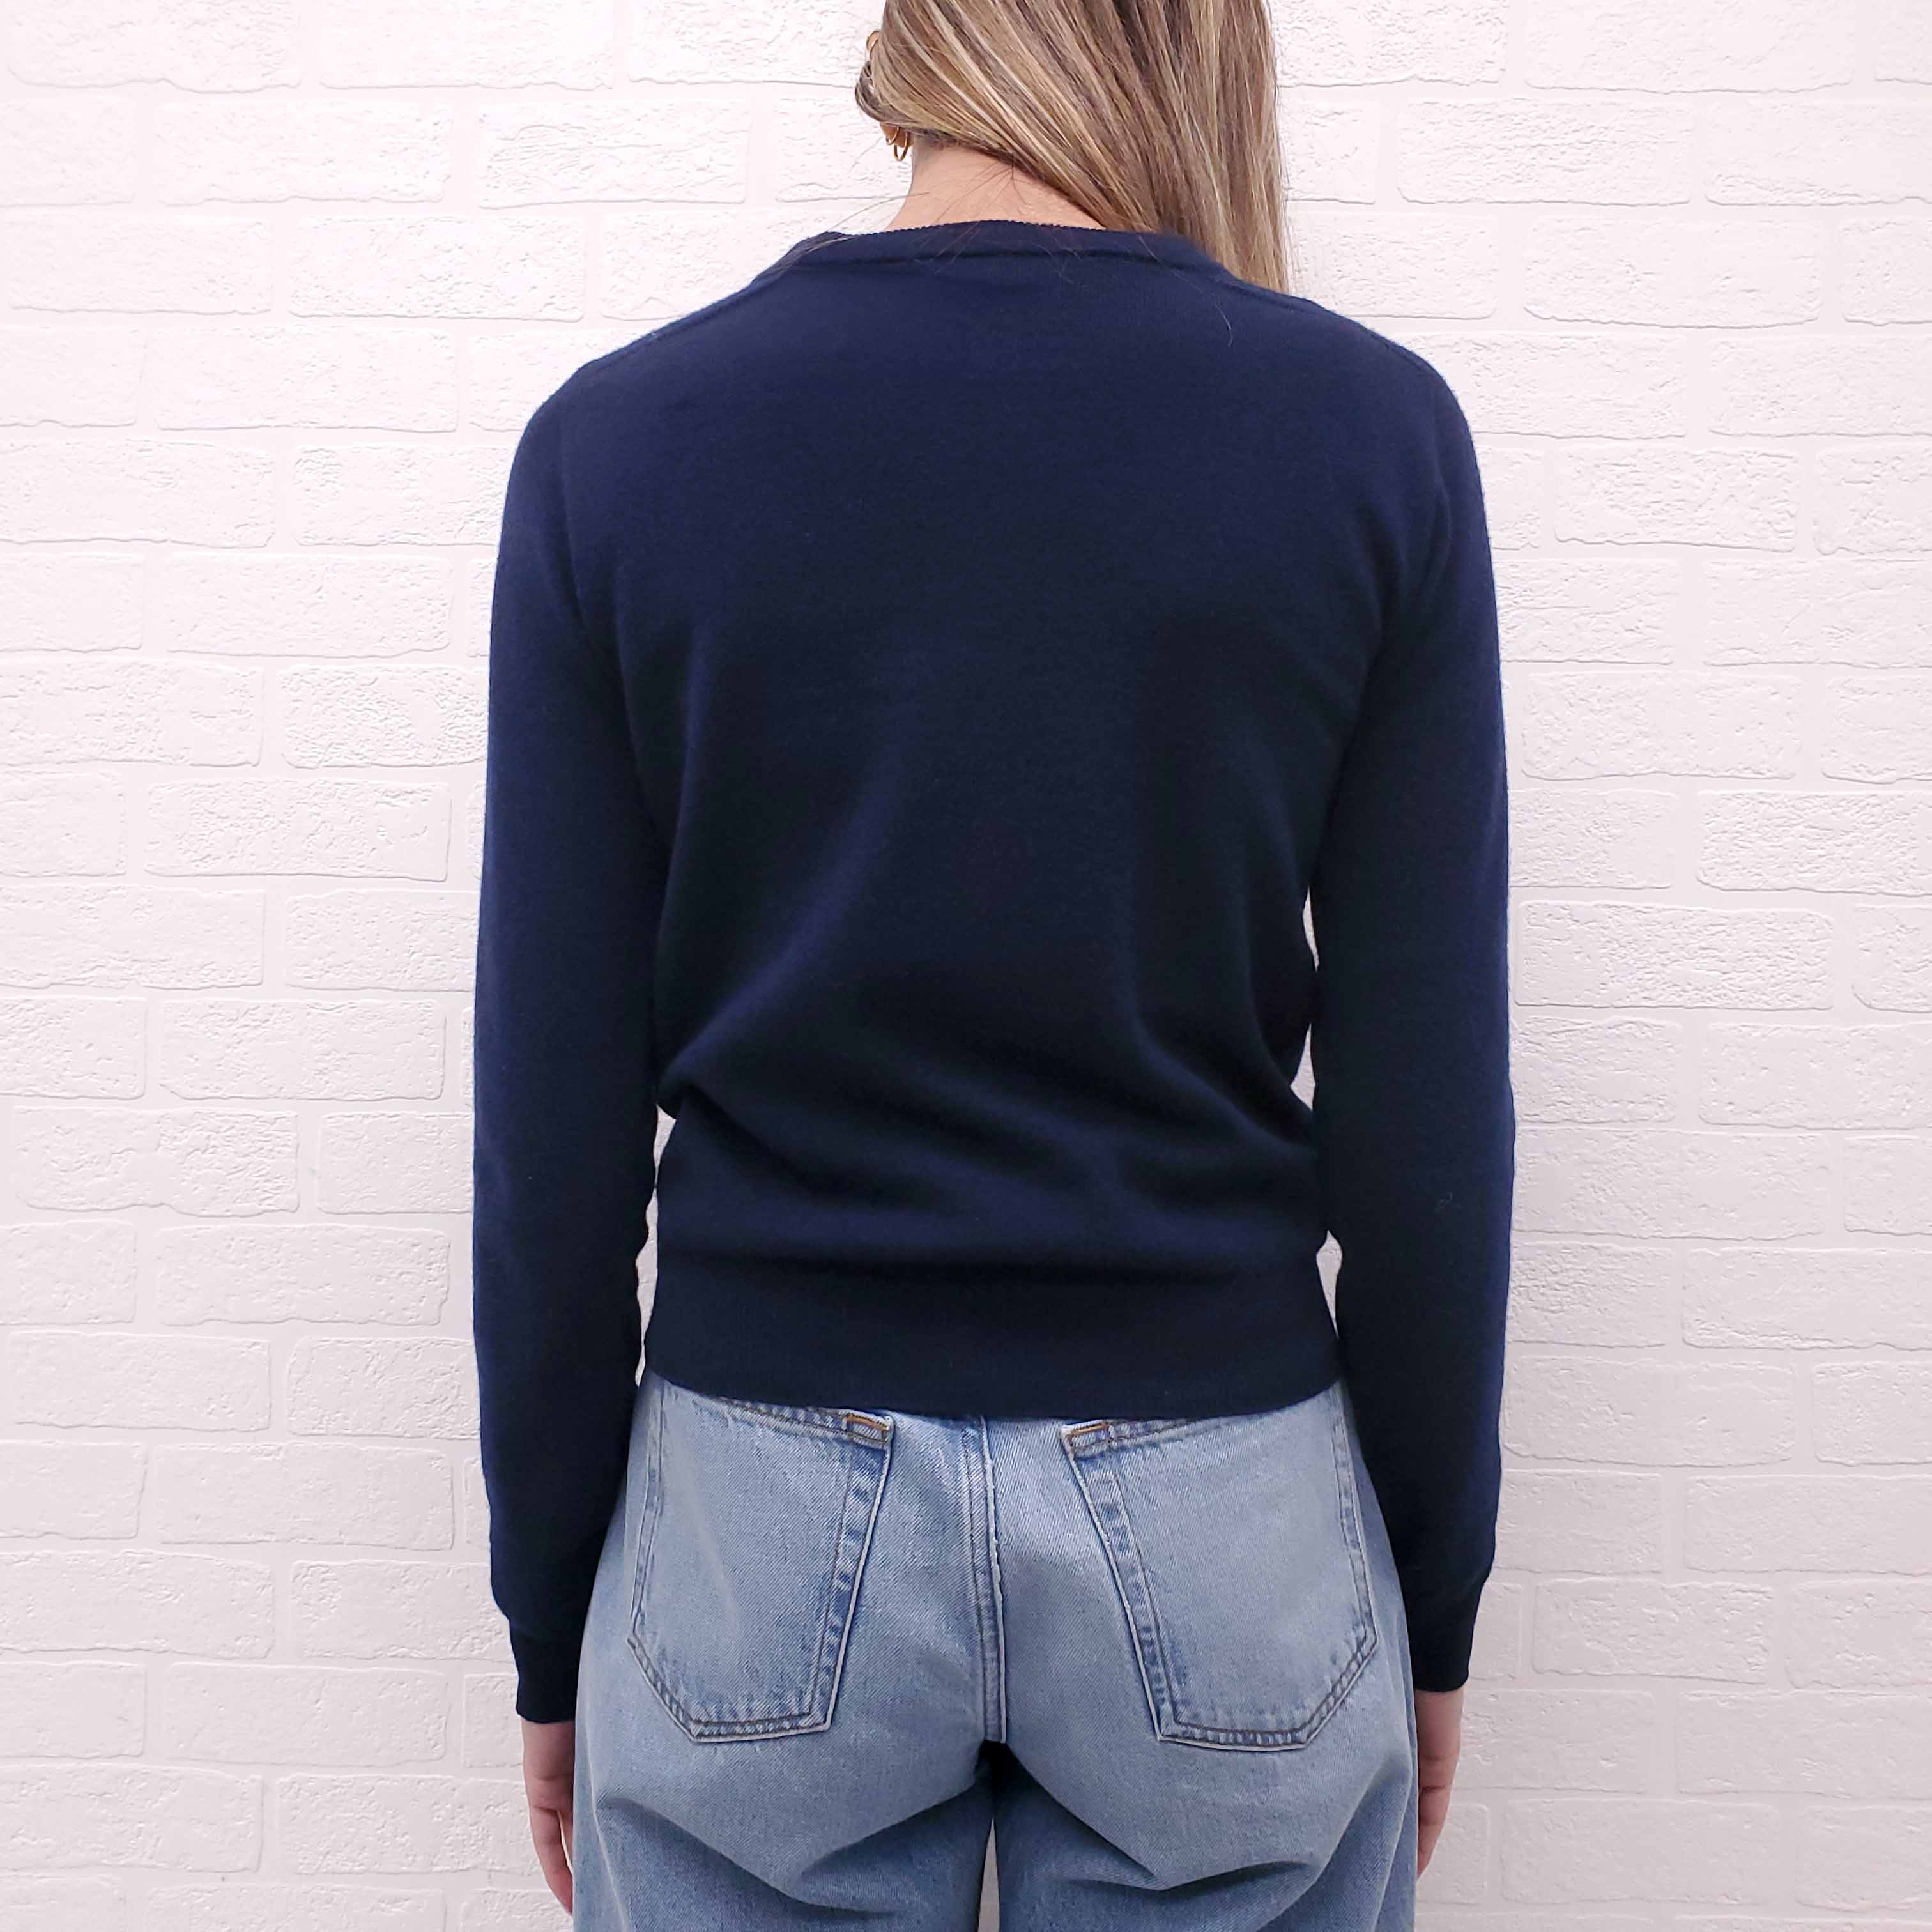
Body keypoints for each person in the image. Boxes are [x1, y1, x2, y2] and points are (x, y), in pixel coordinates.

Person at [471, 4, 1515, 1925]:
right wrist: (1430, 1595)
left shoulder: (618, 446)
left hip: (762, 1504)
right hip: (1220, 1494)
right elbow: (1429, 1121)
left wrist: (554, 1615)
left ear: (918, 54)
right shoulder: (1370, 439)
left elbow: (551, 1135)